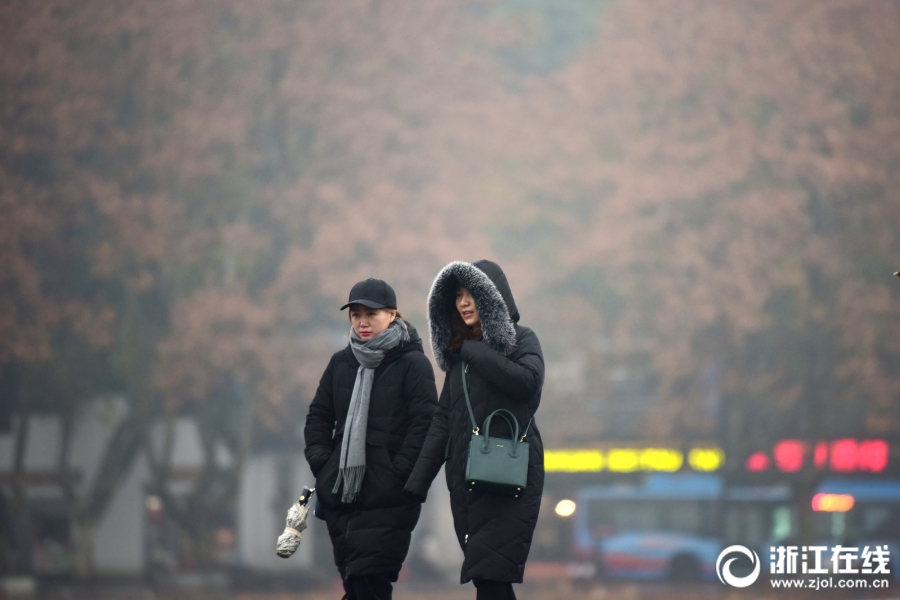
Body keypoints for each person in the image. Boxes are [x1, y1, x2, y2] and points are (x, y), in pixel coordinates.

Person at [405, 260, 545, 600]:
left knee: (491, 576)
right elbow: (443, 421)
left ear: (493, 299)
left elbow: (528, 383)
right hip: (468, 482)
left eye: (472, 294)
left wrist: (474, 350)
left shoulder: (522, 340)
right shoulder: (459, 360)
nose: (464, 302)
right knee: (489, 581)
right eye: (458, 295)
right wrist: (415, 485)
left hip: (510, 479)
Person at [305, 278, 438, 600]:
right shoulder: (341, 362)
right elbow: (318, 417)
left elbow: (426, 424)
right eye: (356, 315)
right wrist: (325, 465)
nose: (362, 322)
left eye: (371, 314)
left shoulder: (412, 364)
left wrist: (399, 473)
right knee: (355, 583)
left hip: (388, 496)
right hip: (342, 492)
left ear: (392, 315)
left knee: (370, 583)